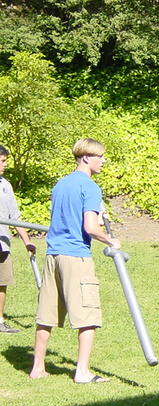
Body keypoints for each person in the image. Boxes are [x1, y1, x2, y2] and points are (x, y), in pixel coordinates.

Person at [29, 138, 121, 383]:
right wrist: (111, 241)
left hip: (53, 255)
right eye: (100, 157)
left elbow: (69, 217)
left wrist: (98, 216)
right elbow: (90, 228)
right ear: (86, 158)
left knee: (46, 315)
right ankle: (82, 372)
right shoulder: (90, 186)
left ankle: (37, 368)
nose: (103, 161)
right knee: (87, 316)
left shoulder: (61, 184)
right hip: (76, 256)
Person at [0, 144, 37, 333]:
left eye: (5, 161)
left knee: (2, 282)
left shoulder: (5, 185)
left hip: (2, 243)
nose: (5, 165)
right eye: (2, 161)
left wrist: (27, 241)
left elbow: (14, 216)